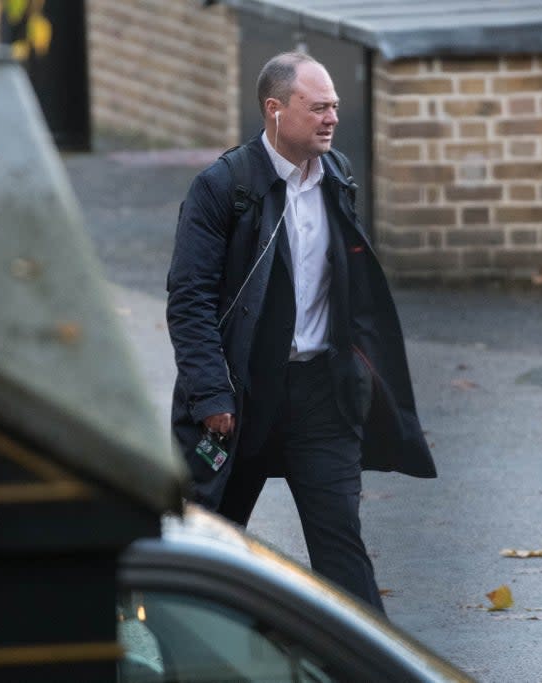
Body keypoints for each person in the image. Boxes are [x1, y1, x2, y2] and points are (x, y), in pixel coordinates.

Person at [166, 52, 435, 612]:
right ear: (274, 110)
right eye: (317, 108)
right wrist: (212, 395)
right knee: (207, 545)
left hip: (321, 397)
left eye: (334, 106)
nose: (331, 118)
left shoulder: (336, 177)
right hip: (241, 397)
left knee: (342, 545)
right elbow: (189, 301)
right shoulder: (224, 188)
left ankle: (373, 667)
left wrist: (358, 375)